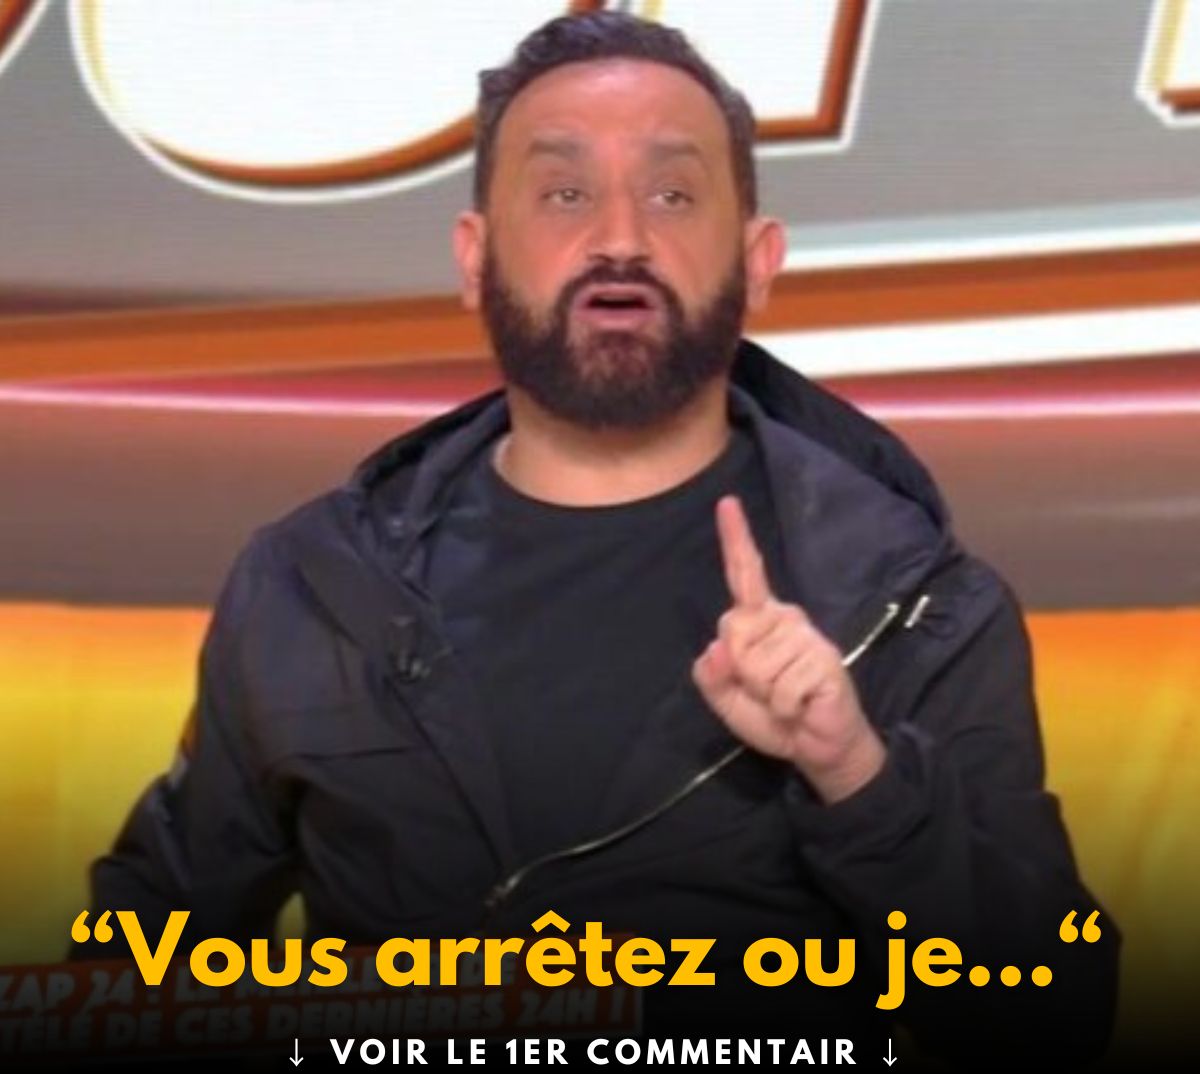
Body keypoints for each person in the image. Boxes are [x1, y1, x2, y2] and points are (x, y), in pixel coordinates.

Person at [81, 11, 1118, 1065]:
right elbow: (141, 960)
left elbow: (1052, 1011)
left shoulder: (916, 609)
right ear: (476, 259)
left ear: (758, 262)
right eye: (564, 194)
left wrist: (855, 774)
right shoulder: (309, 586)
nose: (621, 237)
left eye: (673, 195)